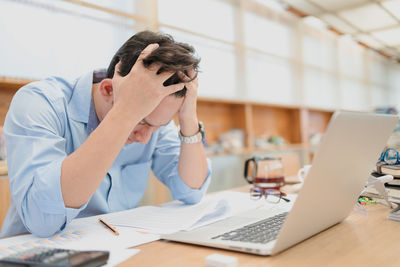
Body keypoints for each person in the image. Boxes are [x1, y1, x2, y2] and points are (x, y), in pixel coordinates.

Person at [1, 31, 211, 237]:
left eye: (158, 125)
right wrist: (126, 113)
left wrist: (188, 118)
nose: (145, 138)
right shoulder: (40, 103)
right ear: (108, 89)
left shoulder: (153, 119)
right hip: (32, 253)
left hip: (115, 246)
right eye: (140, 122)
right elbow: (42, 221)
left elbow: (191, 191)